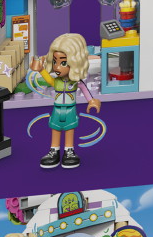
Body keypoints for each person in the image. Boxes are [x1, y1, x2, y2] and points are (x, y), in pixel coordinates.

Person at [31, 32, 101, 169]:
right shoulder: (57, 81)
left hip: (70, 109)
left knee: (69, 129)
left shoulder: (75, 81)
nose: (57, 67)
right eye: (55, 61)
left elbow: (85, 89)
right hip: (57, 109)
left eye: (63, 62)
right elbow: (49, 80)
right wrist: (41, 70)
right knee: (55, 128)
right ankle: (54, 150)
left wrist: (92, 101)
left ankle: (69, 151)